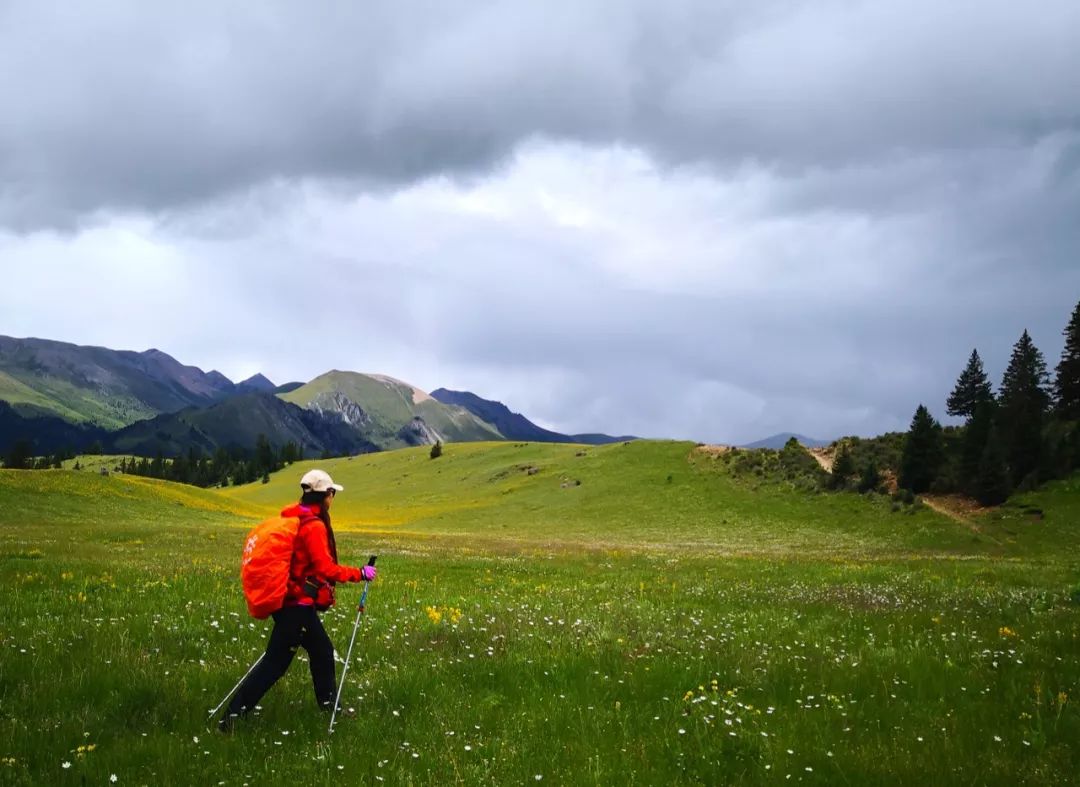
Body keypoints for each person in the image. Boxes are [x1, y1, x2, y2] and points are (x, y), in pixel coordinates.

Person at [219, 469, 376, 731]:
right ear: (325, 495)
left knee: (322, 652)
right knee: (275, 664)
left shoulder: (297, 519)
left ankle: (328, 708)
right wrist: (359, 573)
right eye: (331, 493)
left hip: (291, 603)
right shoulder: (313, 526)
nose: (332, 498)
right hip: (297, 606)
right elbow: (325, 567)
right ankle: (231, 719)